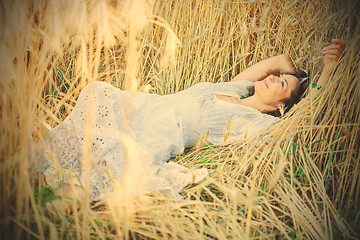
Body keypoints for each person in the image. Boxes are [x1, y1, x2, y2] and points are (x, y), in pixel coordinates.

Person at [40, 39, 345, 201]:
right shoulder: (236, 89)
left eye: (279, 84)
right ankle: (48, 162)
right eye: (276, 78)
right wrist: (293, 75)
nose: (273, 78)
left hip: (163, 130)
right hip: (148, 104)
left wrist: (326, 72)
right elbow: (276, 61)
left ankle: (62, 186)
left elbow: (301, 120)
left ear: (280, 106)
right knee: (98, 95)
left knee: (112, 157)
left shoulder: (256, 122)